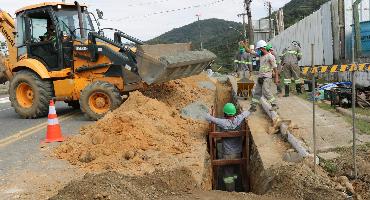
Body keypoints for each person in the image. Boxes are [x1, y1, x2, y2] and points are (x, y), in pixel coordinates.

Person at [205, 103, 251, 192]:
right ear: (234, 113)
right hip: (238, 154)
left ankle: (231, 192)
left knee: (228, 173)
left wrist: (208, 111)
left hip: (227, 155)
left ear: (225, 114)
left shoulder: (223, 122)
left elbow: (209, 118)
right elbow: (246, 113)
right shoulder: (239, 119)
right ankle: (239, 188)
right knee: (236, 170)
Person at [249, 40, 279, 112]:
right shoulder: (261, 55)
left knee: (265, 91)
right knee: (257, 92)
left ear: (262, 48)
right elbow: (251, 52)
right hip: (260, 77)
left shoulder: (270, 56)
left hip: (267, 77)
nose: (258, 51)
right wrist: (245, 46)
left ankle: (274, 104)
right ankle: (253, 106)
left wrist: (276, 78)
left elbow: (275, 68)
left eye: (258, 49)